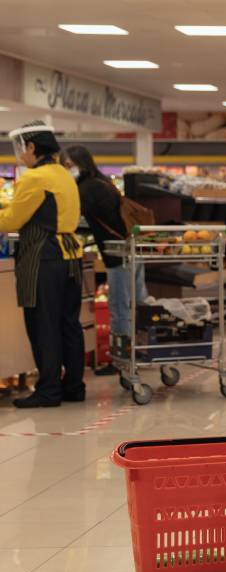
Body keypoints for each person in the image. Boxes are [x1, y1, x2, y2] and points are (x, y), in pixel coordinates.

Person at [1, 122, 85, 408]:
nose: (20, 154)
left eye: (21, 147)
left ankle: (48, 391)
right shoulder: (63, 174)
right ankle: (74, 386)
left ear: (32, 147)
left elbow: (12, 221)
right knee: (68, 324)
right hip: (71, 256)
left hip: (44, 257)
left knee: (43, 324)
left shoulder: (34, 178)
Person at [62, 145, 148, 375]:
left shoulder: (87, 188)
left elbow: (73, 220)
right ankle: (143, 349)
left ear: (81, 163)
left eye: (69, 165)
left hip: (117, 256)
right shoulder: (103, 181)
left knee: (119, 308)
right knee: (139, 303)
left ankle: (122, 360)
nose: (67, 170)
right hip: (133, 250)